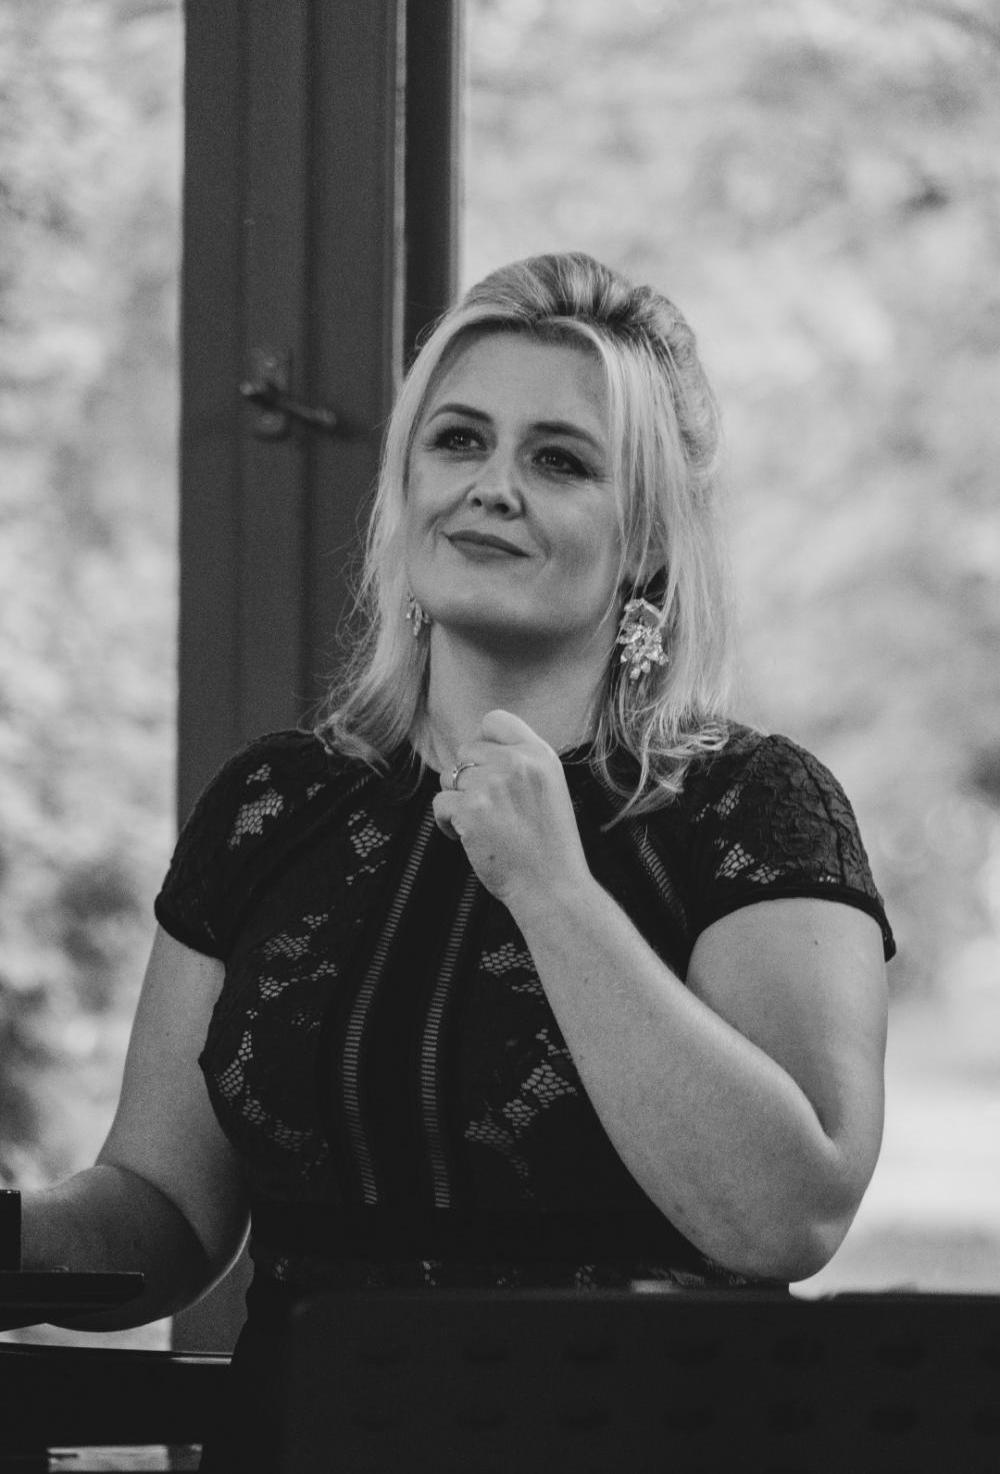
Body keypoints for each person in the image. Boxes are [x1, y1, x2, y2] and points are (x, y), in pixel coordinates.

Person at [16, 252, 894, 1468]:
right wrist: (14, 1231)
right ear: (407, 487)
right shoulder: (273, 805)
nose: (492, 487)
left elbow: (786, 1215)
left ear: (646, 540)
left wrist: (552, 889)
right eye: (459, 441)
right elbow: (161, 1209)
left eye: (560, 461)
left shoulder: (751, 805)